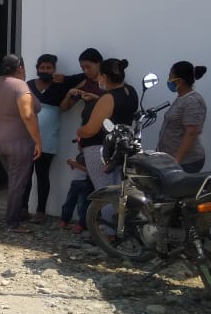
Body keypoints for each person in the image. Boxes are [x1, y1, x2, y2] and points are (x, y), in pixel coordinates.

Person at [0, 53, 42, 233]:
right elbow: (28, 115)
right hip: (18, 141)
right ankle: (12, 222)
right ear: (20, 68)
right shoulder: (20, 86)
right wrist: (38, 142)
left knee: (14, 178)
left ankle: (15, 214)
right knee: (18, 183)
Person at [76, 57, 138, 202]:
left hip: (101, 150)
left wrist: (79, 132)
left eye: (100, 76)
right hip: (121, 149)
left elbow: (91, 129)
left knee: (105, 195)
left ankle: (107, 217)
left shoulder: (109, 98)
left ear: (104, 77)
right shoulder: (130, 91)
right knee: (118, 192)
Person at [21, 53, 65, 219]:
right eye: (42, 67)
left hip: (48, 137)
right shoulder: (29, 85)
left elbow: (80, 80)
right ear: (37, 69)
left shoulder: (59, 86)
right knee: (25, 175)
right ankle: (23, 208)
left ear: (54, 69)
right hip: (27, 136)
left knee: (42, 175)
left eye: (49, 68)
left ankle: (41, 211)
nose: (45, 70)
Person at [156, 61, 208, 173]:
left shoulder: (192, 101)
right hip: (172, 159)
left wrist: (176, 161)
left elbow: (191, 133)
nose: (169, 80)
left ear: (180, 81)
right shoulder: (182, 97)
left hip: (186, 162)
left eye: (170, 77)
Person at [57, 150, 92, 233]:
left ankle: (82, 224)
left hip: (85, 183)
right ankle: (64, 220)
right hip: (76, 182)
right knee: (68, 203)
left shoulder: (90, 154)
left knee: (82, 206)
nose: (79, 146)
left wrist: (76, 165)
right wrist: (73, 164)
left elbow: (90, 170)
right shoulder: (81, 154)